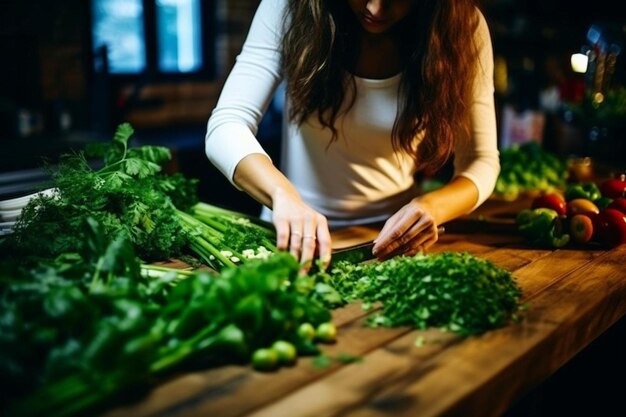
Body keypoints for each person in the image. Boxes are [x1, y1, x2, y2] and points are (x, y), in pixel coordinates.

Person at [205, 0, 500, 271]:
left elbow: (480, 160)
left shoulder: (464, 28)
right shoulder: (288, 7)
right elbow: (228, 124)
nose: (376, 8)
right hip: (290, 237)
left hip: (391, 242)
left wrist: (431, 207)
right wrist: (283, 196)